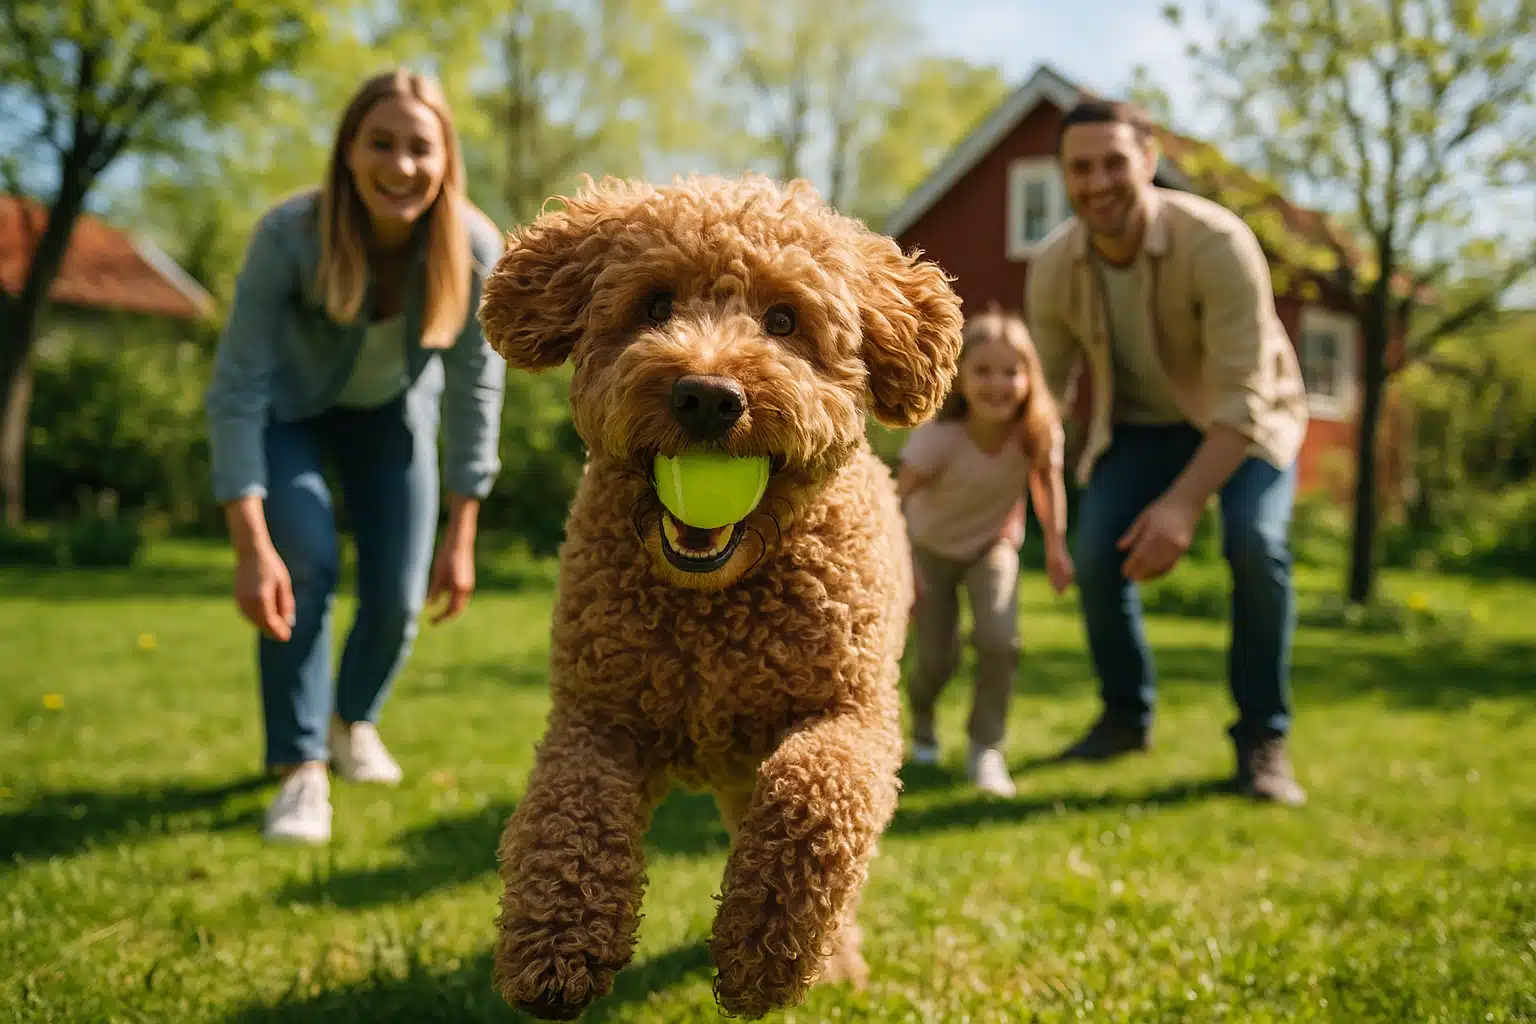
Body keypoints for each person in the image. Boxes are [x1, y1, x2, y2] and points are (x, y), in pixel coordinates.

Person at [204, 69, 508, 843]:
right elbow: (238, 387)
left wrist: (462, 530)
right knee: (304, 561)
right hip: (290, 417)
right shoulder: (288, 237)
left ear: (445, 161)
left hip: (392, 417)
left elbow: (476, 391)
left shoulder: (475, 249)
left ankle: (350, 720)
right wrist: (251, 546)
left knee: (400, 597)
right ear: (348, 150)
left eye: (420, 148)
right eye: (381, 143)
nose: (400, 166)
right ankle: (300, 769)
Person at [1025, 99, 1310, 805]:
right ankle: (1125, 717)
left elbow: (1244, 401)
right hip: (1142, 429)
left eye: (1114, 163)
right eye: (1080, 168)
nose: (1098, 183)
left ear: (1149, 162)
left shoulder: (1218, 242)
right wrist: (999, 485)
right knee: (1096, 553)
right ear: (1063, 176)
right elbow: (1046, 400)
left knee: (1255, 542)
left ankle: (1262, 740)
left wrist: (1182, 507)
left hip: (1250, 423)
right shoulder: (1054, 265)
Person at [897, 306, 1074, 798]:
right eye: (983, 371)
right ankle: (923, 720)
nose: (998, 384)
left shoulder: (1037, 430)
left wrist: (1056, 547)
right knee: (938, 660)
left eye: (1011, 371)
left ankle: (986, 748)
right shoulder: (939, 437)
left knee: (999, 641)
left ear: (1029, 378)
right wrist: (903, 565)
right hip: (928, 549)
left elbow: (1047, 484)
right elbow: (894, 497)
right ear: (960, 378)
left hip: (992, 545)